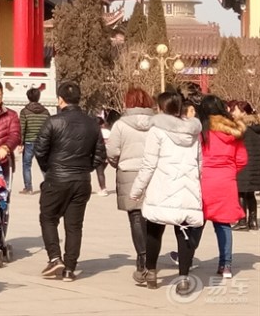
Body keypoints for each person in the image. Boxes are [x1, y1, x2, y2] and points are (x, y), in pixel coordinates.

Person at [129, 91, 204, 293]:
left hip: (162, 186)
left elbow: (149, 164)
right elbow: (199, 163)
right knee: (185, 233)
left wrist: (137, 189)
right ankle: (183, 279)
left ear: (161, 108)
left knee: (154, 230)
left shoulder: (157, 130)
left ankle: (151, 272)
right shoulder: (194, 131)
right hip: (187, 188)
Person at [33, 80, 105, 282]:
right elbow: (100, 154)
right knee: (74, 225)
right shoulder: (92, 123)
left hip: (57, 177)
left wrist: (50, 169)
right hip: (81, 180)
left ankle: (55, 258)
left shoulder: (53, 121)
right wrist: (86, 168)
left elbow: (40, 151)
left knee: (48, 217)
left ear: (60, 99)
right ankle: (70, 268)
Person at [105, 86, 155, 281]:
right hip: (153, 173)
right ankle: (151, 259)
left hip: (129, 172)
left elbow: (112, 152)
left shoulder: (120, 125)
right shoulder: (158, 124)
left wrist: (119, 164)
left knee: (136, 216)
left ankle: (142, 259)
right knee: (152, 218)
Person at [196, 94, 247, 278]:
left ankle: (186, 256)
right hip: (226, 181)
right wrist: (229, 172)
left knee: (196, 221)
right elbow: (241, 159)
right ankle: (226, 265)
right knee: (223, 224)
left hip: (204, 179)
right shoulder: (233, 132)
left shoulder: (201, 130)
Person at [228, 100, 259, 230]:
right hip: (255, 164)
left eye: (235, 110)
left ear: (243, 112)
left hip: (243, 163)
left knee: (240, 192)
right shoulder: (256, 126)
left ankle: (242, 220)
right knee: (250, 193)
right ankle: (253, 221)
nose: (233, 112)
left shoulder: (240, 127)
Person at [19, 86, 50, 194]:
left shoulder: (25, 112)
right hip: (42, 142)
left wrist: (20, 143)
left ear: (28, 97)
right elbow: (49, 127)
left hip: (29, 142)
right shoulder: (45, 112)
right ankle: (48, 186)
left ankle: (28, 188)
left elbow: (22, 128)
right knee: (44, 164)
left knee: (27, 165)